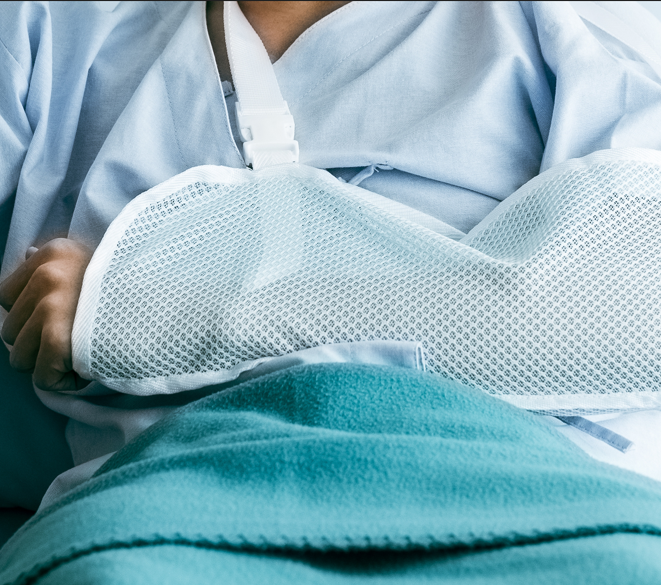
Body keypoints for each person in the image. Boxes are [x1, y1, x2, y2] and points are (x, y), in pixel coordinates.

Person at [1, 0, 661, 520]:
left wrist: (148, 309)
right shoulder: (48, 34)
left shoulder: (567, 27)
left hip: (521, 498)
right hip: (165, 510)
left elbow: (631, 312)